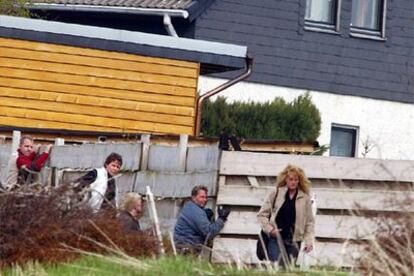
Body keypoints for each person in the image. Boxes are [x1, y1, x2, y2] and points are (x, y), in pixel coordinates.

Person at [257, 164, 314, 267]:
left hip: (295, 241)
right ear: (285, 179)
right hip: (276, 238)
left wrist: (308, 241)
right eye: (291, 179)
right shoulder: (276, 193)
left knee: (288, 269)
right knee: (276, 267)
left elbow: (309, 222)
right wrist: (270, 230)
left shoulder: (305, 198)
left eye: (296, 180)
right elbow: (262, 215)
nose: (293, 182)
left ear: (299, 181)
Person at [173, 185, 231, 255]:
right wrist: (221, 218)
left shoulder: (190, 207)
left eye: (206, 197)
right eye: (202, 197)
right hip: (186, 249)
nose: (205, 200)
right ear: (194, 198)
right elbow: (209, 233)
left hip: (182, 247)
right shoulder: (195, 212)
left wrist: (205, 215)